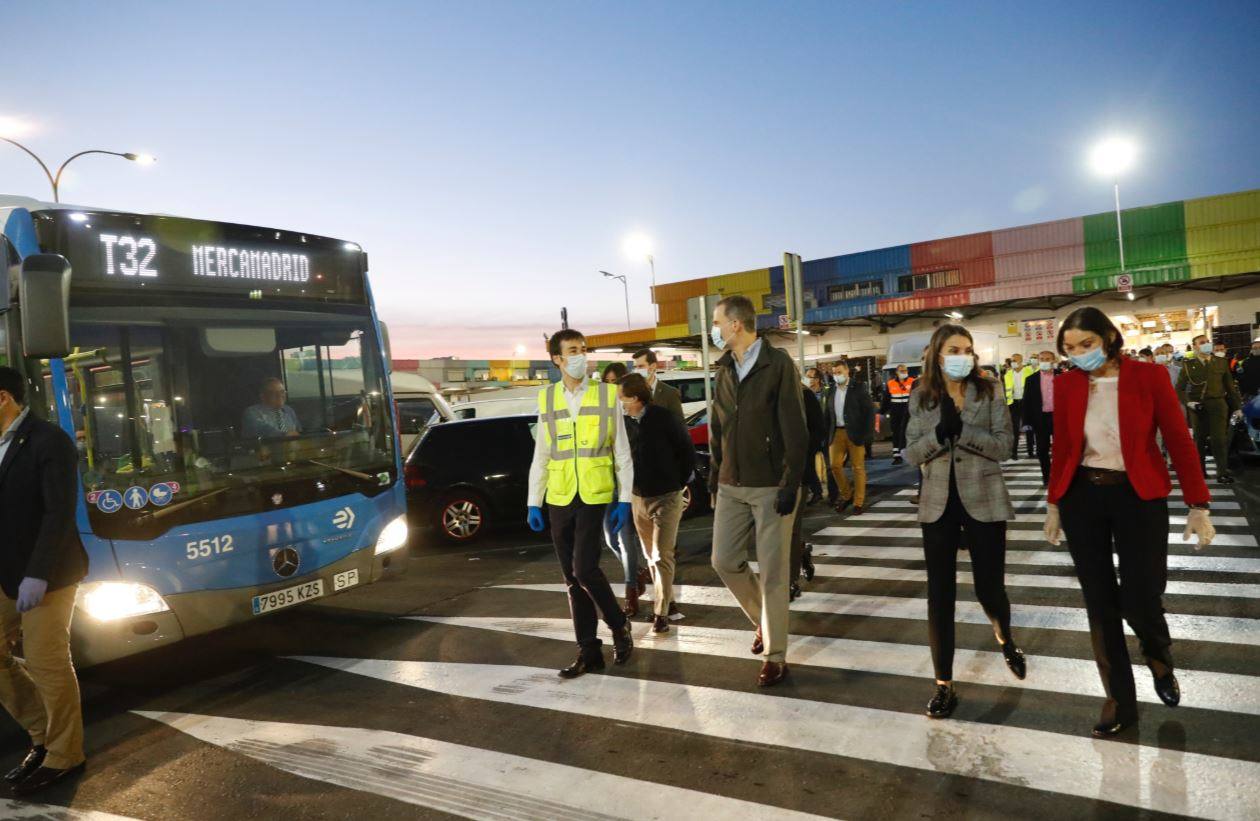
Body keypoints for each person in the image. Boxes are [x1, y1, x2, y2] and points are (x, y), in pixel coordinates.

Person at [1046, 307, 1215, 738]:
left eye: (1087, 344)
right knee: (1100, 605)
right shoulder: (1066, 386)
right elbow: (1063, 448)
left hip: (1138, 497)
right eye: (1069, 349)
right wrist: (1053, 504)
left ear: (1108, 337)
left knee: (1141, 595)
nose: (1079, 355)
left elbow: (1178, 438)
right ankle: (1119, 699)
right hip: (1083, 497)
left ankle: (1158, 655)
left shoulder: (1148, 377)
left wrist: (1198, 504)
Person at [904, 326, 1025, 719]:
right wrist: (940, 435)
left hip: (984, 500)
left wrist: (966, 432)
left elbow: (1005, 447)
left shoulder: (989, 390)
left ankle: (1004, 636)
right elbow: (910, 452)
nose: (963, 356)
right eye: (955, 349)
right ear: (938, 353)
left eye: (969, 350)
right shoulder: (921, 396)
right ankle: (944, 684)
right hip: (938, 503)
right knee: (940, 596)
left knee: (989, 589)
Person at [708, 295, 807, 687]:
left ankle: (776, 655)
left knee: (774, 574)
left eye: (717, 322)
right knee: (724, 560)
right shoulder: (724, 370)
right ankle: (763, 621)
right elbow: (718, 428)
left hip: (771, 485)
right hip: (732, 483)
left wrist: (790, 481)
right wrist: (718, 474)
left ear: (735, 324)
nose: (713, 329)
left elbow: (795, 427)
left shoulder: (777, 363)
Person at [0, 366, 90, 794]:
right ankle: (42, 733)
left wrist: (37, 574)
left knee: (46, 660)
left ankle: (65, 754)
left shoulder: (48, 440)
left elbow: (58, 513)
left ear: (3, 398)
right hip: (4, 571)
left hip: (47, 574)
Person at [527, 330, 634, 678]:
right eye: (572, 351)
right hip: (560, 495)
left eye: (583, 350)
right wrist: (534, 501)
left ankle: (618, 624)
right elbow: (541, 454)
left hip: (594, 494)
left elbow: (622, 453)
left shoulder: (606, 395)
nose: (580, 356)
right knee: (571, 580)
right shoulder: (546, 398)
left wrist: (624, 500)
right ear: (556, 359)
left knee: (584, 569)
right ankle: (589, 651)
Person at [617, 374, 694, 634]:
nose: (621, 403)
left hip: (666, 495)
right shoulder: (624, 423)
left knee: (662, 554)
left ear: (636, 398)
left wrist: (677, 482)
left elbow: (686, 450)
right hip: (638, 497)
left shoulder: (663, 418)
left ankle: (661, 612)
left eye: (624, 398)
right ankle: (666, 599)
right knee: (651, 556)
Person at [600, 363, 649, 614]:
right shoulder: (599, 414)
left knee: (625, 537)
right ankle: (638, 571)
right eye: (606, 382)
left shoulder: (629, 419)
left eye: (614, 382)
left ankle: (631, 591)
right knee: (611, 538)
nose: (610, 387)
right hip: (604, 483)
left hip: (627, 486)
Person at [1177, 333, 1243, 484]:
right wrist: (1188, 403)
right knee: (1199, 440)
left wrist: (1237, 407)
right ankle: (1200, 471)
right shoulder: (1188, 364)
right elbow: (1179, 389)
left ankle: (1222, 472)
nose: (1206, 344)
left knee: (1219, 440)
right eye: (1201, 342)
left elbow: (1230, 387)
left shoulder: (1221, 362)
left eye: (1207, 342)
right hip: (1197, 406)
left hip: (1218, 405)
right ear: (1194, 347)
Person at [790, 376, 827, 598]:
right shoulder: (770, 397)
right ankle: (802, 552)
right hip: (770, 476)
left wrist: (802, 454)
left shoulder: (804, 395)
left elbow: (818, 431)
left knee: (791, 529)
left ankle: (791, 579)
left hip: (798, 472)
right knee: (777, 533)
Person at [824, 361, 875, 515]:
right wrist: (826, 434)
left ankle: (858, 502)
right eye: (834, 373)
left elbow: (868, 413)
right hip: (836, 433)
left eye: (839, 372)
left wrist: (867, 436)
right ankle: (847, 494)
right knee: (834, 466)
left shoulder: (858, 388)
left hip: (855, 433)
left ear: (847, 372)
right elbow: (827, 414)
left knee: (858, 467)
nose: (836, 375)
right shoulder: (831, 390)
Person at [1021, 350, 1057, 484]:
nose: (1045, 361)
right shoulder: (1031, 379)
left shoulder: (1061, 376)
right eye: (1042, 359)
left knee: (1061, 450)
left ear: (1053, 360)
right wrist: (1026, 422)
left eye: (1048, 359)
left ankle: (1060, 475)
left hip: (1058, 418)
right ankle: (1047, 476)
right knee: (1042, 449)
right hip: (1040, 419)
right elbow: (1026, 402)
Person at [631, 348, 684, 425]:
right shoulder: (631, 392)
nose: (637, 370)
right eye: (635, 367)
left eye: (640, 366)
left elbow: (680, 425)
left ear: (653, 366)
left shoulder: (670, 393)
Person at [803, 368, 829, 504]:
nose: (808, 379)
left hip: (823, 432)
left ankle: (831, 494)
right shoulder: (805, 393)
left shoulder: (825, 393)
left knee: (830, 467)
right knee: (808, 465)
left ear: (817, 379)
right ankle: (815, 491)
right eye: (807, 376)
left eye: (811, 377)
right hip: (811, 434)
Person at [1003, 353, 1035, 460]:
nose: (1013, 363)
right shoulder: (1008, 374)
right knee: (1014, 429)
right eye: (1012, 360)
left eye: (1015, 360)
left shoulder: (1029, 371)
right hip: (1013, 403)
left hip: (1027, 403)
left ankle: (1030, 451)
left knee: (1028, 427)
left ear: (1021, 361)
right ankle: (1014, 452)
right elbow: (1005, 390)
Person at [883, 365, 915, 465]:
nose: (904, 372)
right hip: (895, 413)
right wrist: (881, 412)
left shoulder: (912, 381)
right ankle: (897, 456)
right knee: (896, 434)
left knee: (911, 433)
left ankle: (912, 455)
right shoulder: (890, 383)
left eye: (905, 370)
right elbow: (886, 400)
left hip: (909, 412)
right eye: (901, 371)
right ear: (897, 372)